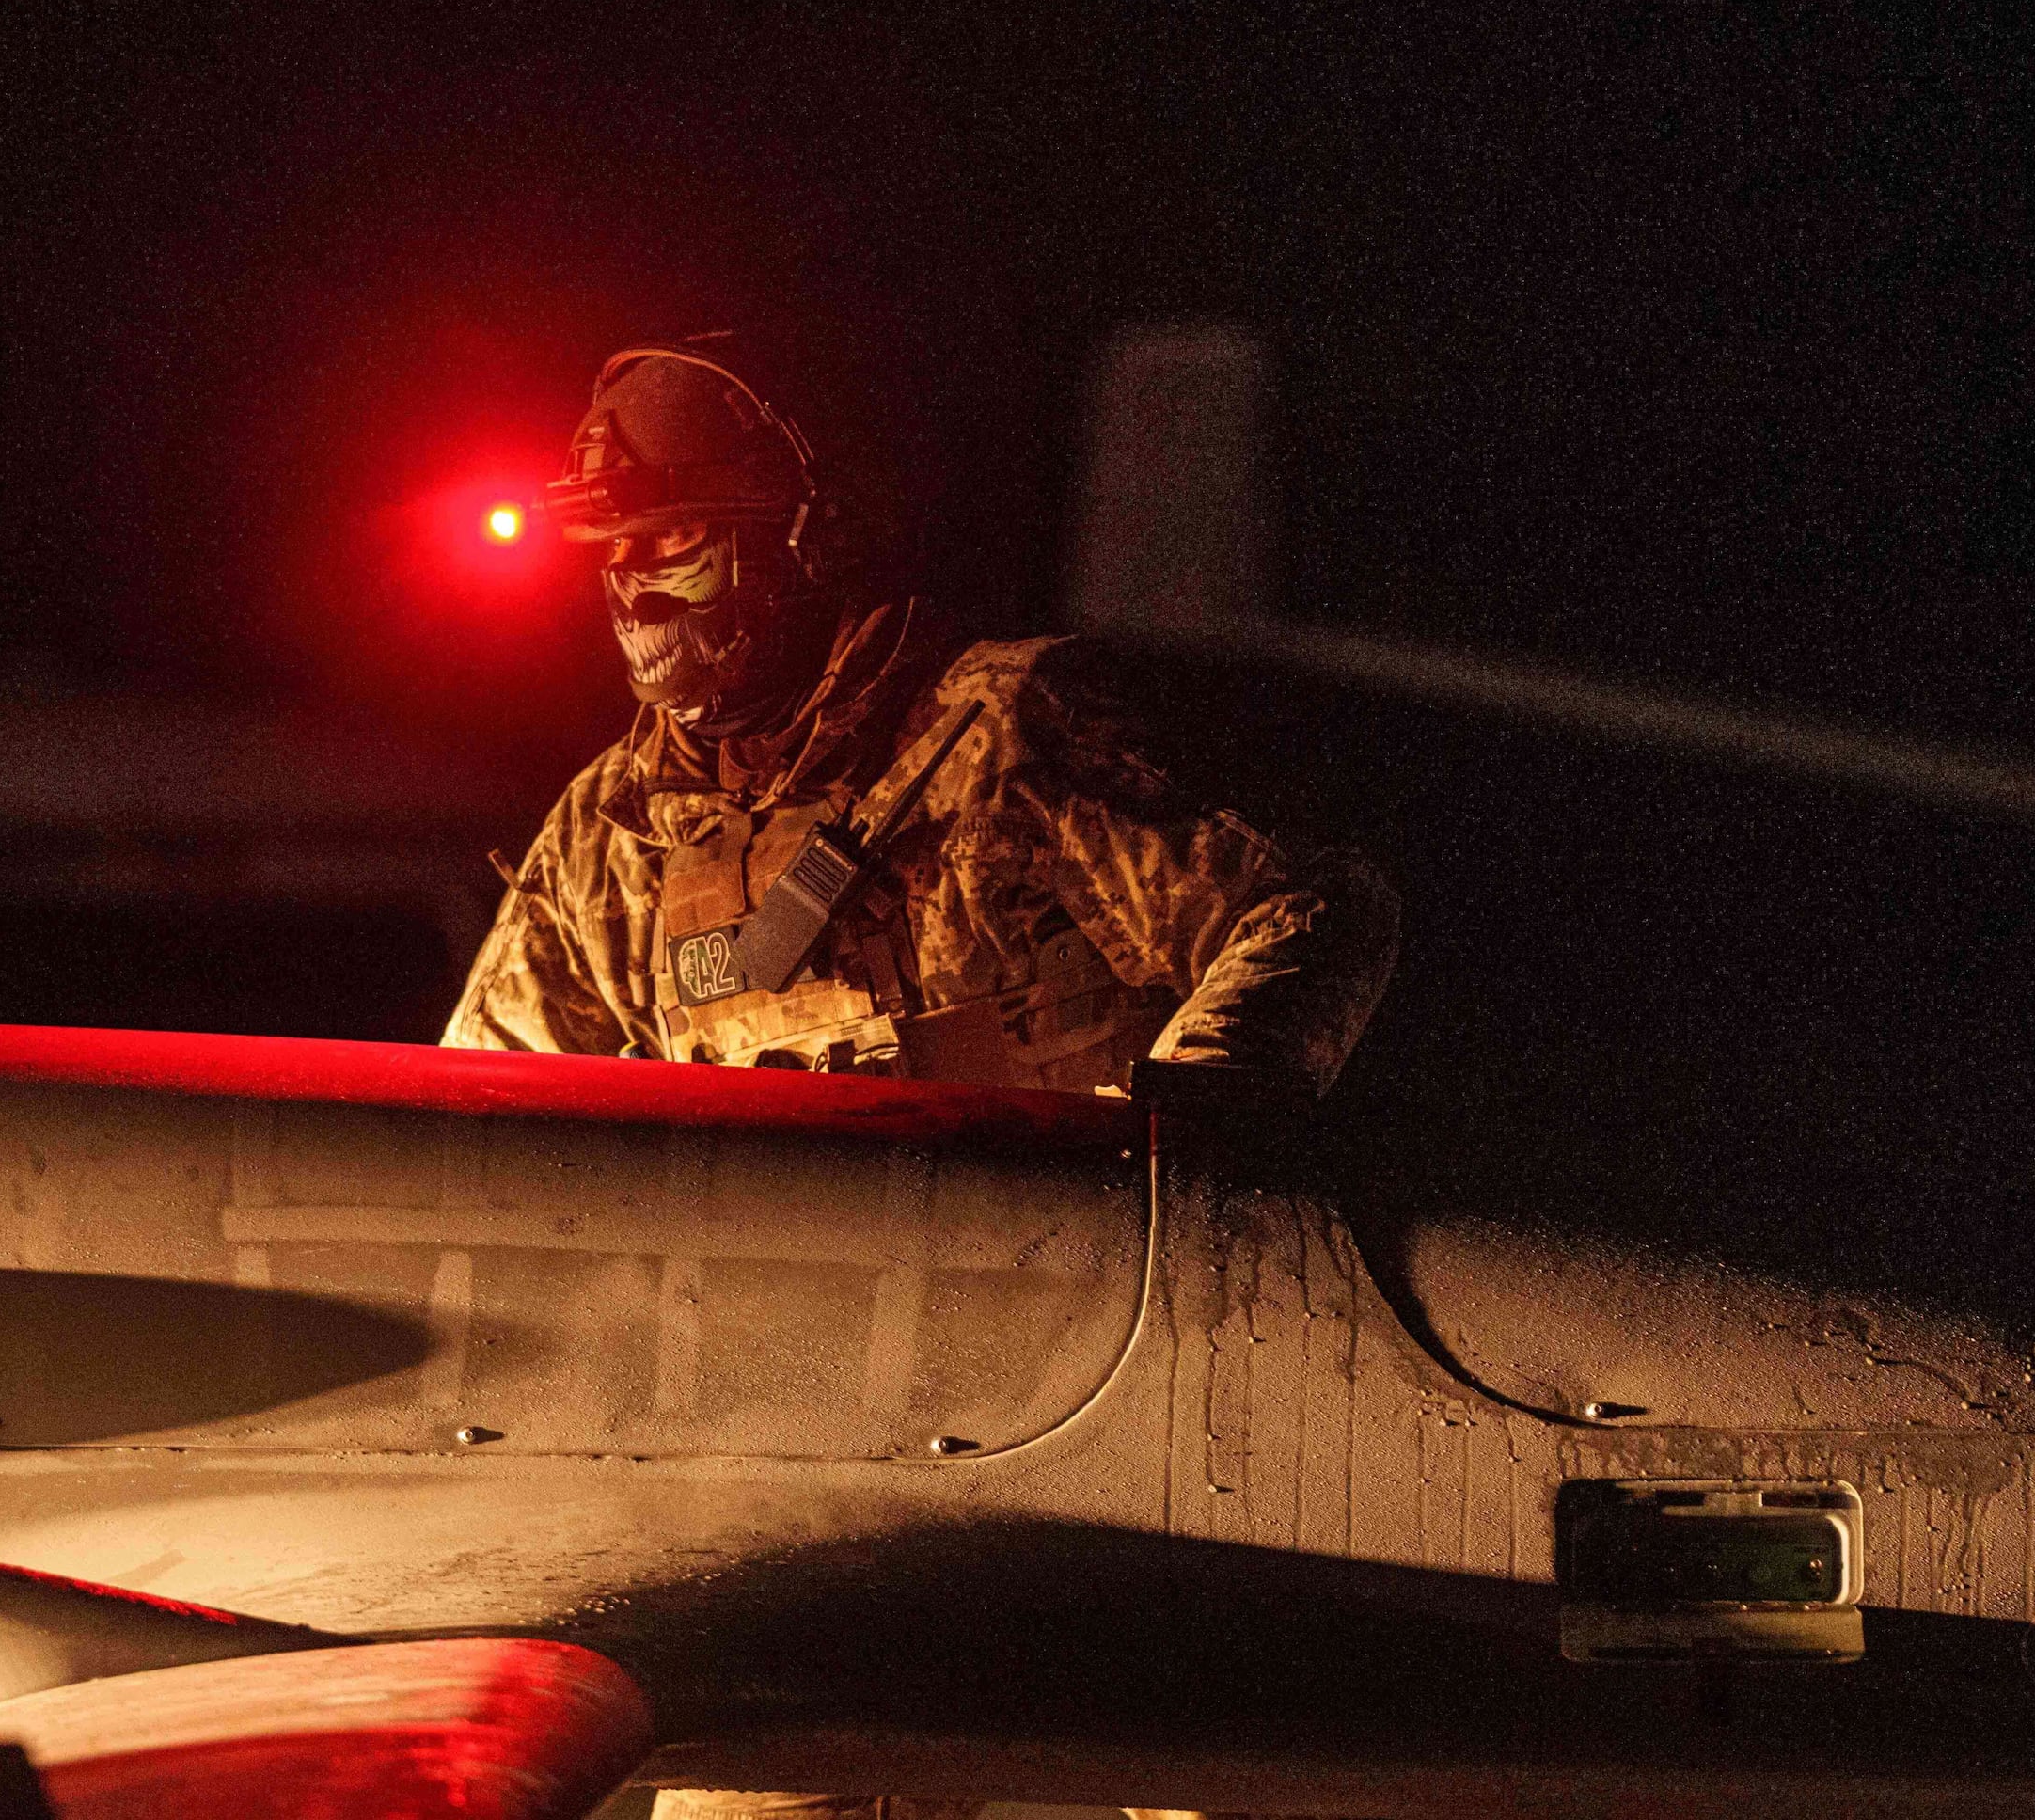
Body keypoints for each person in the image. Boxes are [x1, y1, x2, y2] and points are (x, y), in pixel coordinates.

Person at [443, 339, 1400, 1820]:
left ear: (801, 542)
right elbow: (470, 1136)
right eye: (609, 561)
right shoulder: (614, 834)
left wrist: (1178, 1165)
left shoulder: (1006, 734)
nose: (632, 600)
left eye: (677, 554)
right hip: (781, 1528)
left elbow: (1310, 908)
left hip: (1086, 1484)